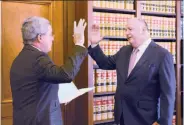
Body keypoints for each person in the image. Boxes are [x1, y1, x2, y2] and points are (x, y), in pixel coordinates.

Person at [88, 18, 176, 125]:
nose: (126, 33)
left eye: (130, 29)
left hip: (145, 119)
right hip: (121, 117)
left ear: (143, 30)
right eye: (126, 30)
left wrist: (163, 122)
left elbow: (168, 94)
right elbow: (105, 63)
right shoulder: (124, 51)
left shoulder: (162, 55)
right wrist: (94, 45)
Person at [10, 16, 87, 125]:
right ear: (40, 37)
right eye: (50, 34)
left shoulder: (20, 58)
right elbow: (66, 75)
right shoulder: (38, 59)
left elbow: (34, 89)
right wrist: (79, 43)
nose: (53, 38)